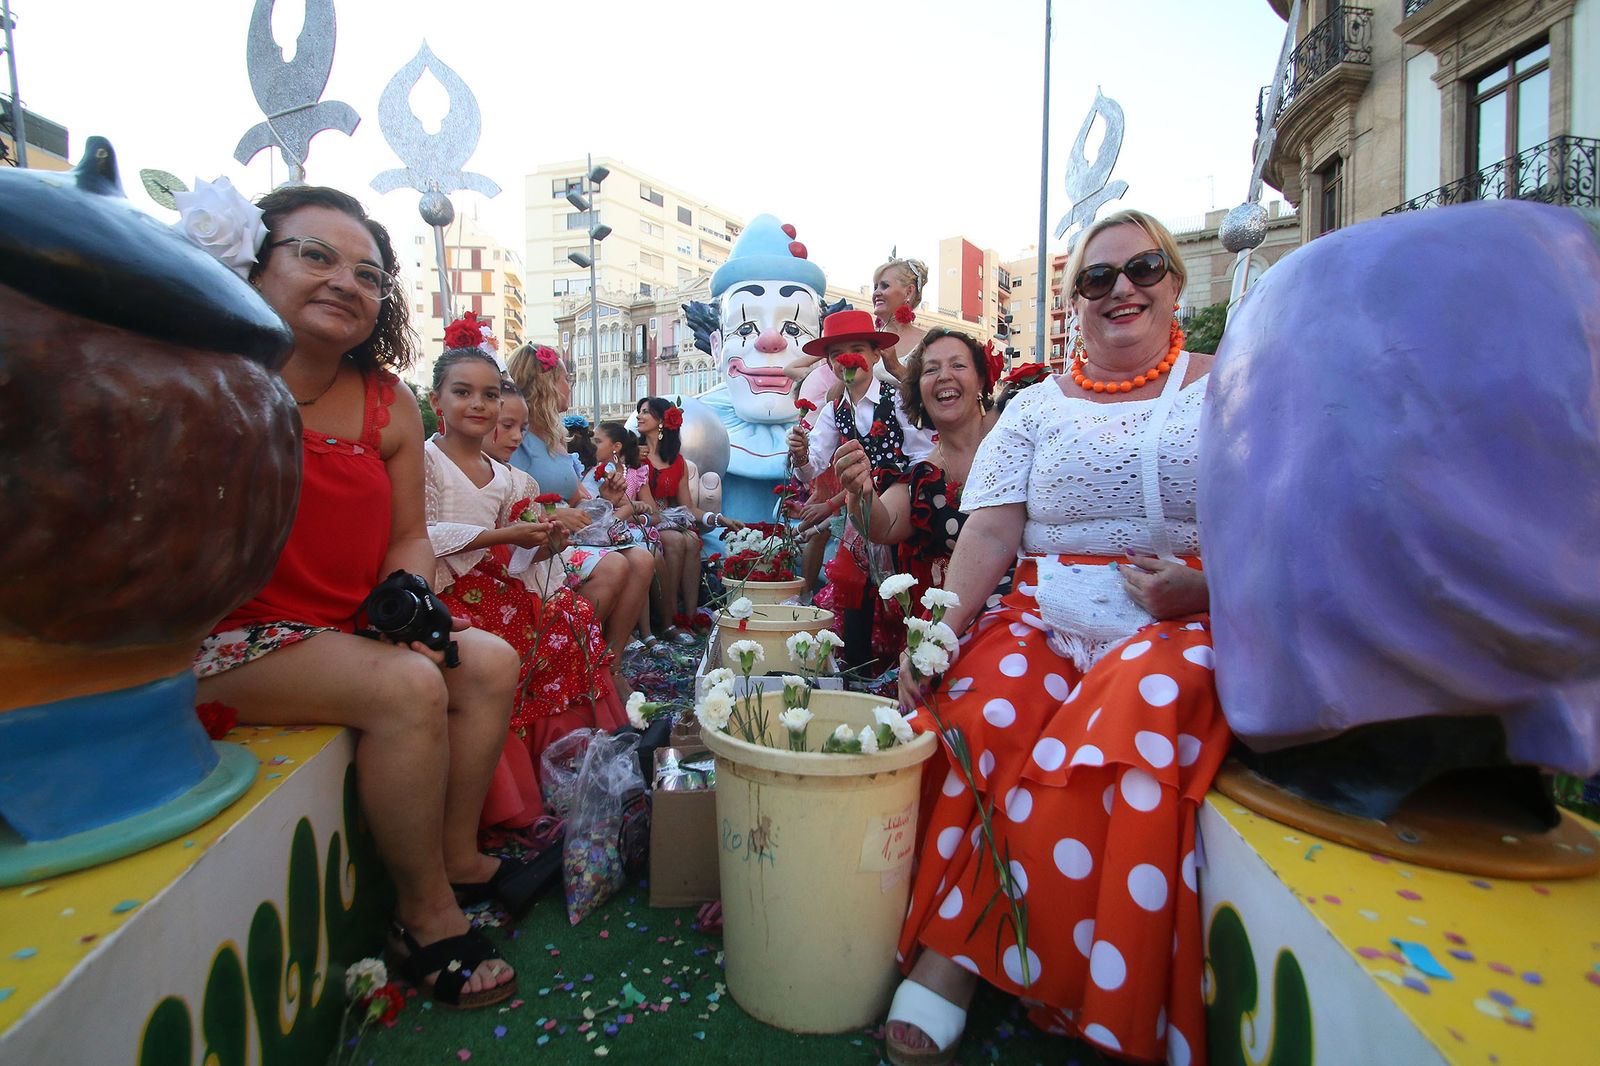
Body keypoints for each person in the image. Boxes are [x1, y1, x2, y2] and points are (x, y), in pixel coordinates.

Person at [884, 210, 1230, 1066]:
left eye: (1142, 269)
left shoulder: (1229, 388)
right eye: (1097, 278)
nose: (1121, 290)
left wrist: (1202, 587)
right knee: (981, 708)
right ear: (1074, 301)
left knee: (1124, 715)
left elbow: (1280, 528)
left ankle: (957, 959)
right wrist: (936, 635)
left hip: (1181, 620)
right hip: (1042, 608)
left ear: (1175, 280)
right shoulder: (1034, 409)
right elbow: (992, 538)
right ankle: (980, 939)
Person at [191, 186, 521, 1009]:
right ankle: (425, 919)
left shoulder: (386, 400)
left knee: (485, 660)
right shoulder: (201, 377)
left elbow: (409, 535)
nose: (347, 282)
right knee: (408, 683)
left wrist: (403, 600)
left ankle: (456, 858)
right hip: (225, 641)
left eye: (369, 274)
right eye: (315, 256)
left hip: (342, 629)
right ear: (252, 266)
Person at [423, 343, 613, 830]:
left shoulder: (511, 480)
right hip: (446, 593)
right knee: (536, 633)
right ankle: (513, 788)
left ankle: (565, 768)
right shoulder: (424, 462)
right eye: (463, 392)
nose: (479, 405)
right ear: (434, 400)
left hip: (499, 587)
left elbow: (520, 557)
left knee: (571, 618)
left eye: (488, 394)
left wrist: (548, 541)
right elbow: (419, 535)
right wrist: (506, 535)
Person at [788, 309, 935, 673]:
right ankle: (856, 669)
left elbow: (922, 453)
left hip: (902, 505)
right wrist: (802, 454)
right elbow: (814, 467)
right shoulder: (832, 411)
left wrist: (899, 489)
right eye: (838, 354)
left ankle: (910, 664)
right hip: (860, 511)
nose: (847, 359)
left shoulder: (897, 399)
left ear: (873, 356)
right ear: (829, 364)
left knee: (905, 586)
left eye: (856, 349)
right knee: (854, 581)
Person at [506, 343, 653, 689]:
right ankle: (569, 656)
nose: (570, 387)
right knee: (615, 565)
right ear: (546, 384)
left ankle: (609, 662)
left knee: (643, 560)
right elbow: (508, 502)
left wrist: (607, 496)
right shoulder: (514, 437)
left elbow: (578, 501)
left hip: (567, 538)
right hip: (535, 542)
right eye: (566, 379)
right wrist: (559, 514)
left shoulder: (555, 438)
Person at [832, 329, 1009, 613]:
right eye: (931, 370)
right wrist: (860, 490)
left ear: (981, 379)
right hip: (957, 620)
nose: (944, 376)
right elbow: (881, 526)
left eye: (958, 365)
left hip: (1028, 607)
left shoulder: (1017, 429)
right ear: (919, 392)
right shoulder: (925, 476)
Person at [637, 396, 736, 642]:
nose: (639, 416)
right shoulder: (636, 456)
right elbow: (645, 505)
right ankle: (669, 621)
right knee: (676, 541)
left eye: (646, 412)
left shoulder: (677, 462)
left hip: (667, 520)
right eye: (640, 411)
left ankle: (689, 617)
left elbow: (688, 508)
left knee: (691, 539)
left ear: (661, 422)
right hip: (641, 520)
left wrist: (718, 518)